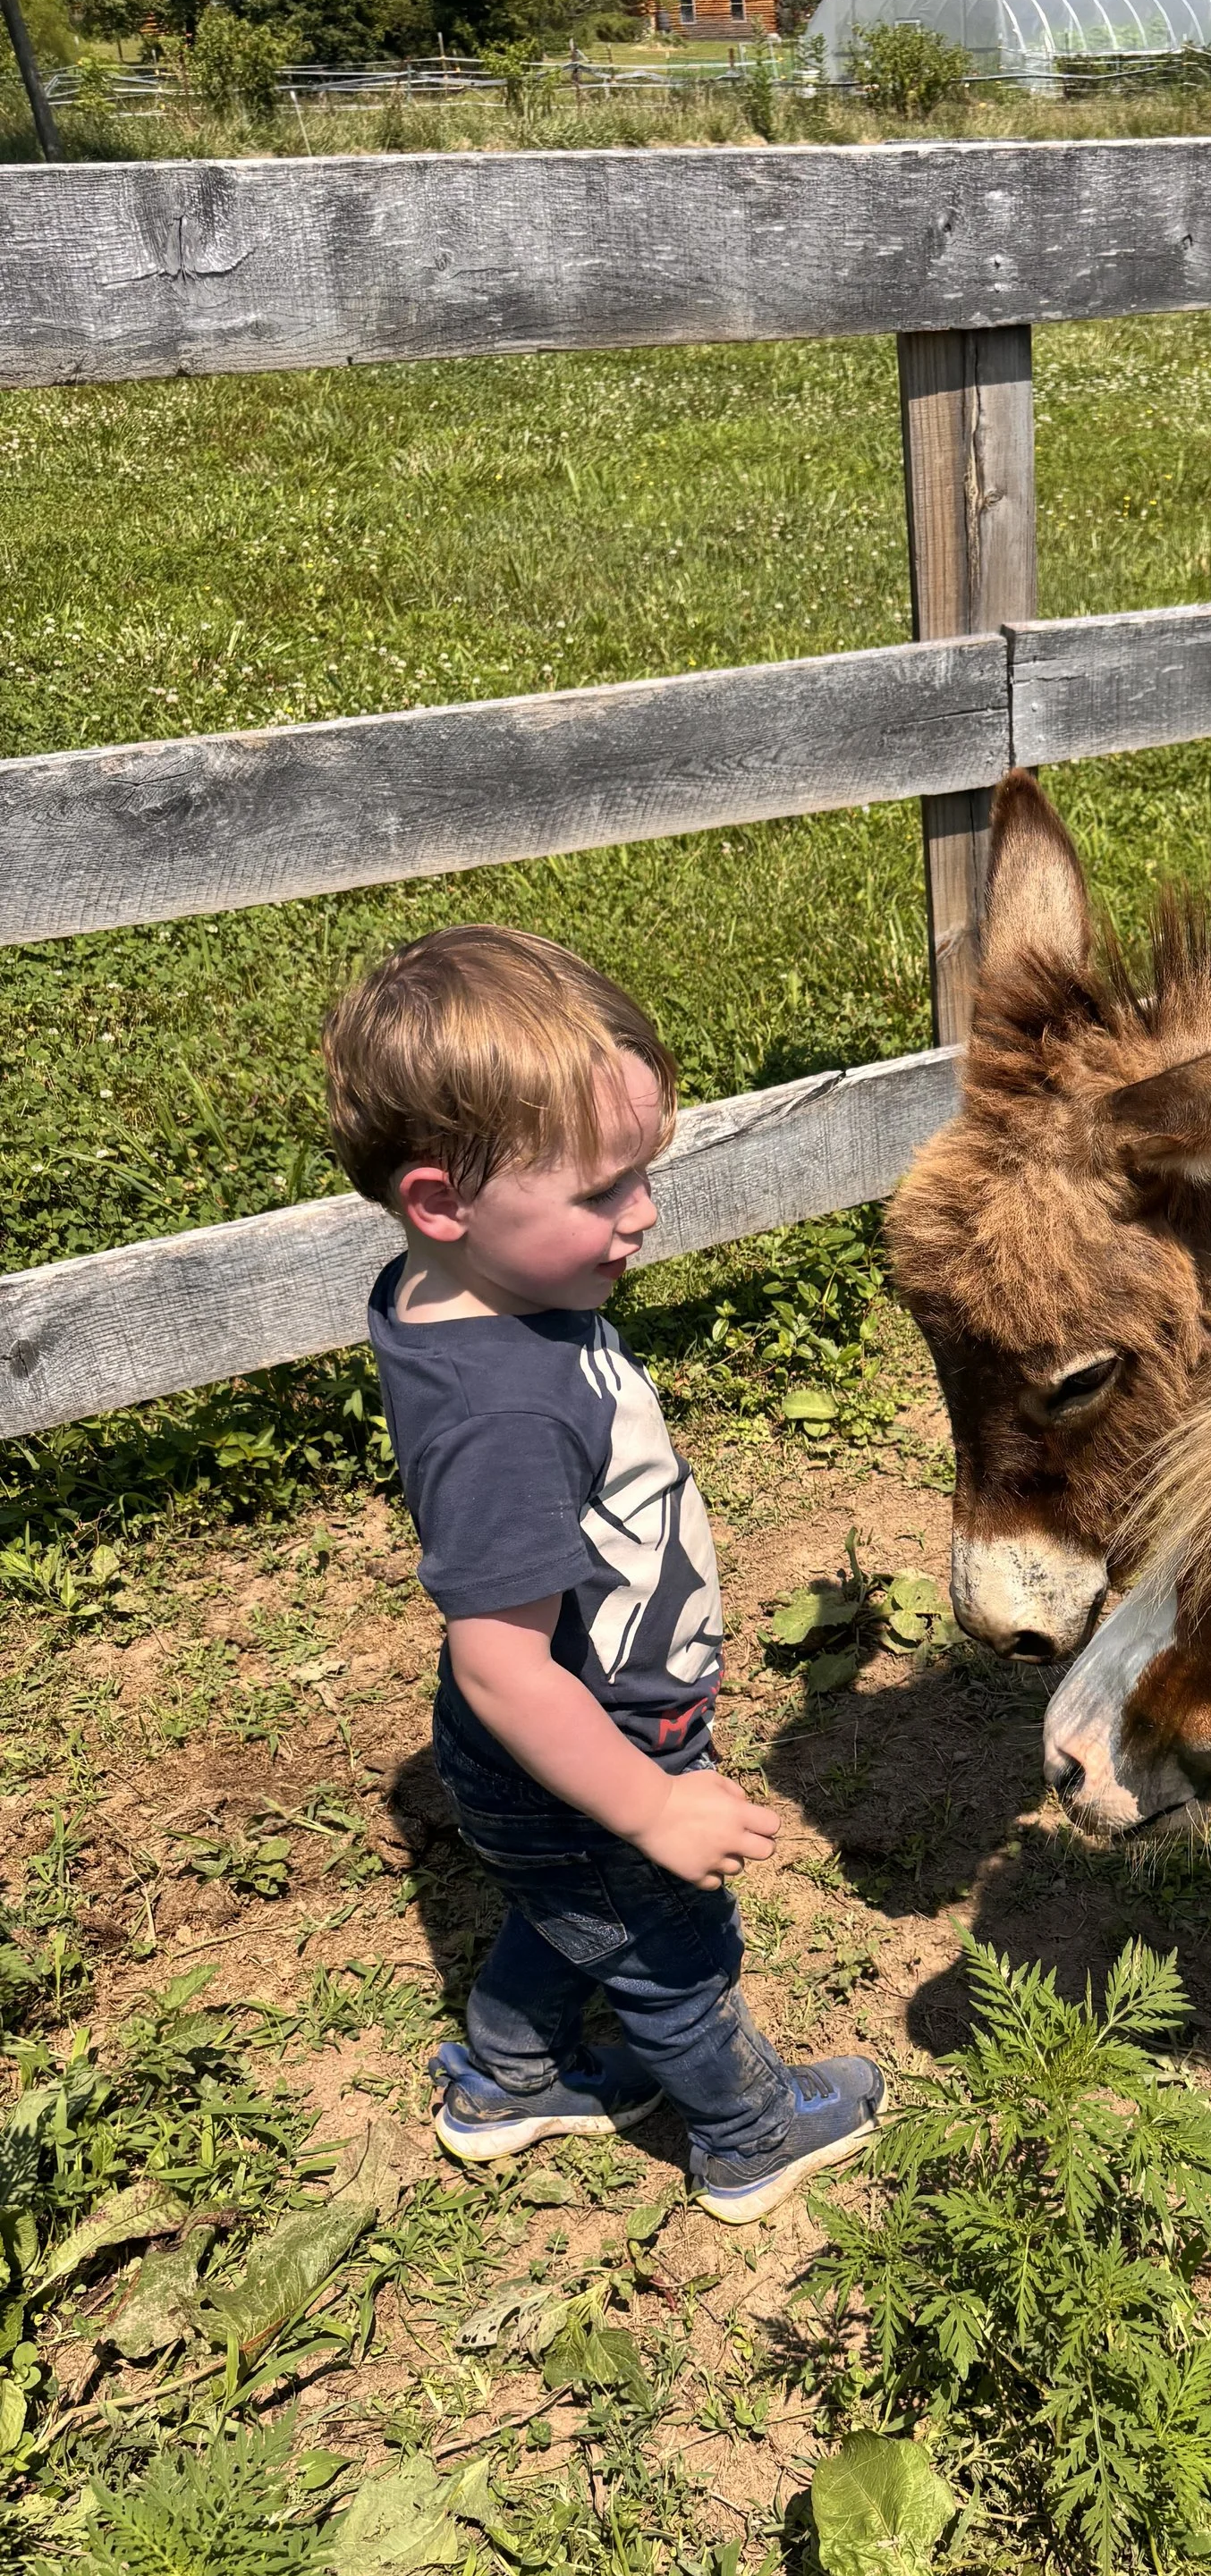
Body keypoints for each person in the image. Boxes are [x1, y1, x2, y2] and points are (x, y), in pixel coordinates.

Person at [323, 925, 883, 2221]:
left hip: (545, 1752)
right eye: (599, 1191)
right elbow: (506, 1666)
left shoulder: (465, 1292)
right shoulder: (505, 1415)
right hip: (590, 1739)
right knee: (664, 1946)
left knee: (565, 1906)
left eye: (645, 1171)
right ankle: (747, 2133)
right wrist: (648, 1803)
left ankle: (509, 2077)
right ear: (439, 1201)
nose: (641, 1213)